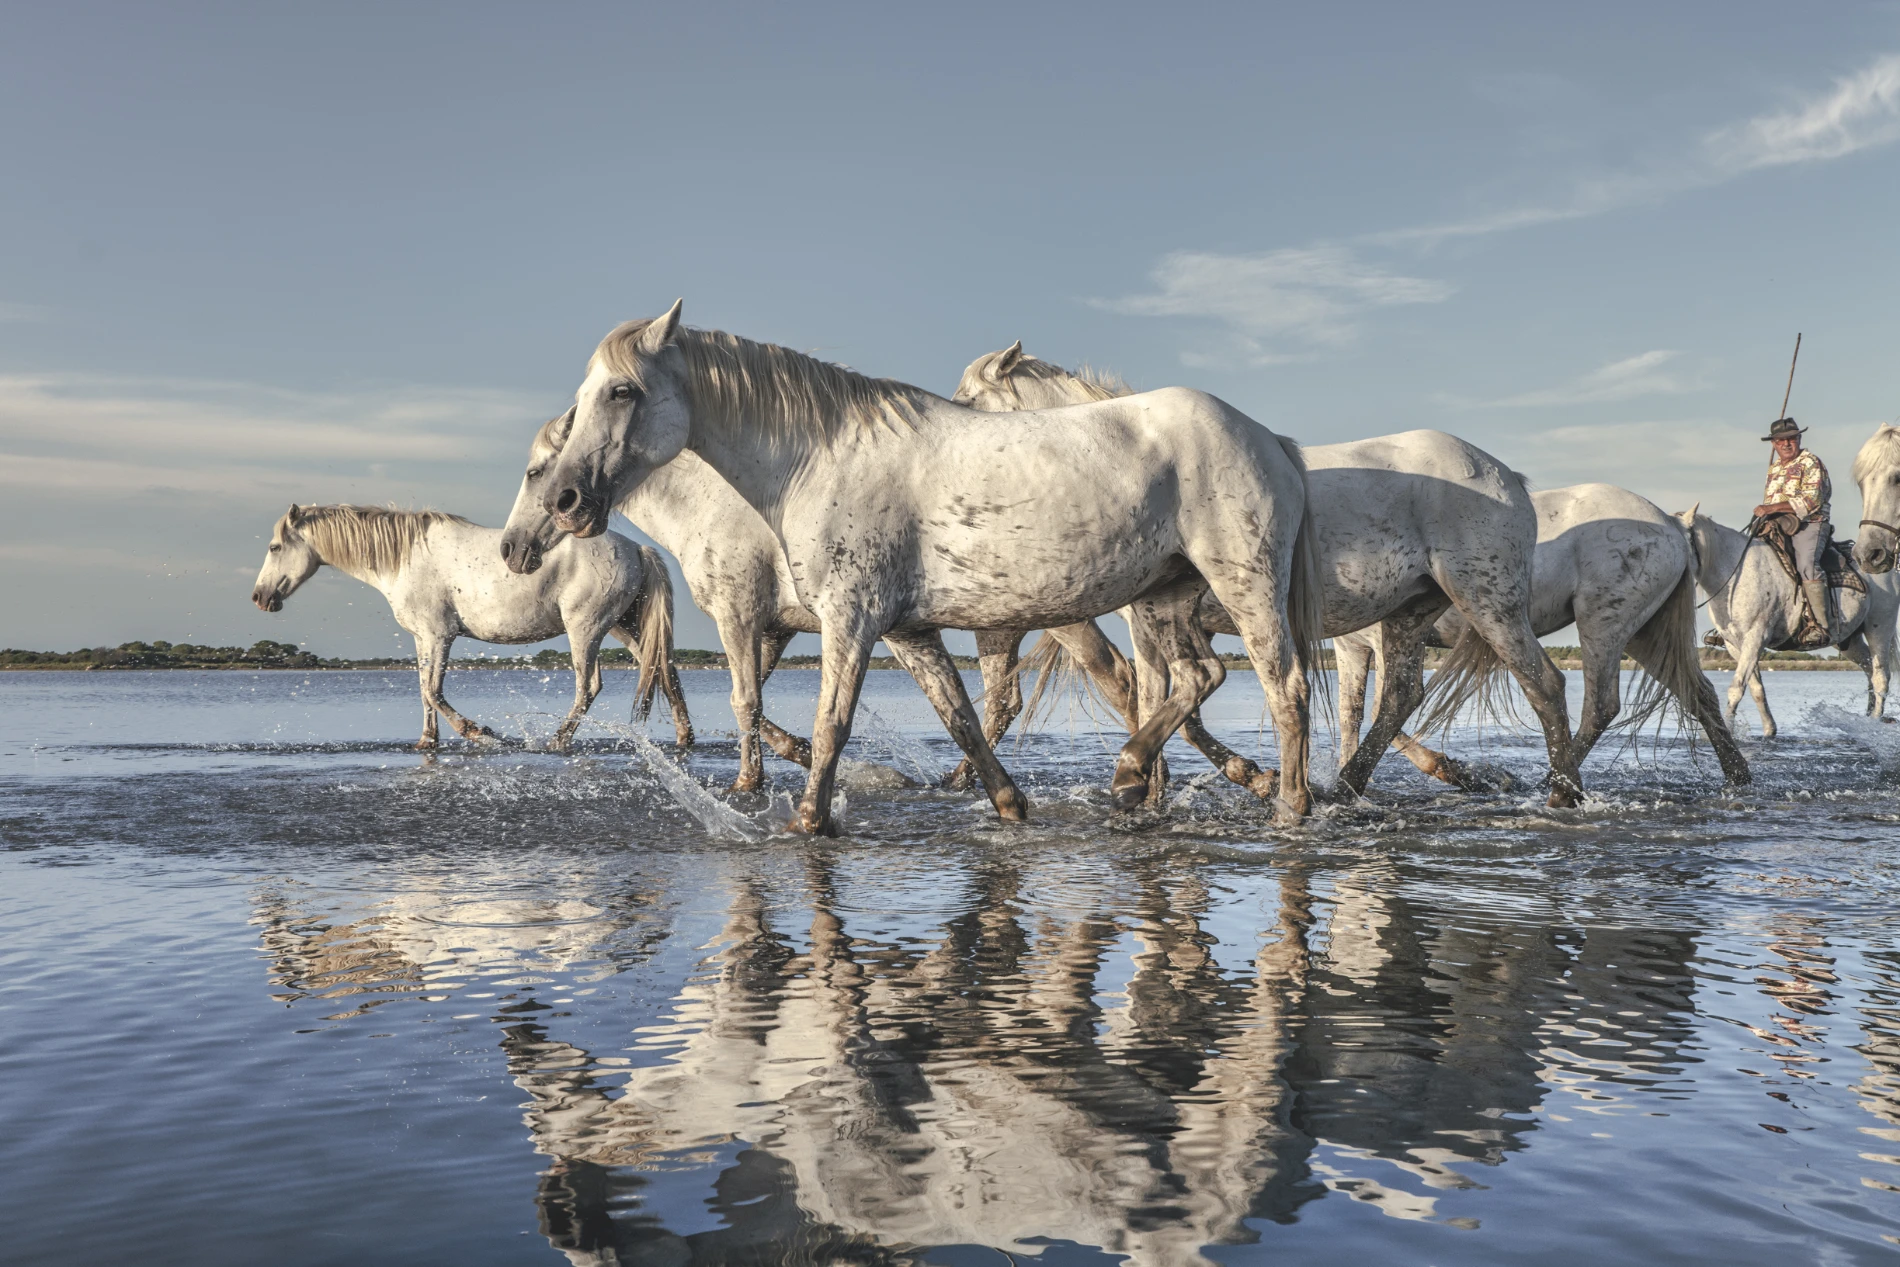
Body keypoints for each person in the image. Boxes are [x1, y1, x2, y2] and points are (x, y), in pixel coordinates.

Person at [1752, 416, 1835, 641]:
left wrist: (1771, 507)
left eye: (1791, 439)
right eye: (1780, 441)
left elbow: (1812, 501)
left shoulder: (1810, 462)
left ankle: (1820, 625)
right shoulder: (1774, 468)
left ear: (1799, 438)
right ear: (1773, 444)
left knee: (1806, 564)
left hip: (1810, 523)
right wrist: (1768, 513)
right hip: (1777, 525)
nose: (1786, 444)